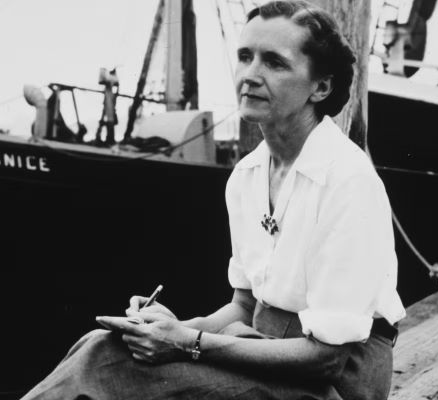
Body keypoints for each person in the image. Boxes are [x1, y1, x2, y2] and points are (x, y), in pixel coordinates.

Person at [22, 1, 406, 399]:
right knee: (103, 346)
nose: (250, 75)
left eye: (274, 62)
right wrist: (166, 330)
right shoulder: (247, 176)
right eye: (245, 56)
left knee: (109, 373)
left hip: (335, 383)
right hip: (264, 346)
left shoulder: (347, 180)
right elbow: (244, 307)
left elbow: (327, 358)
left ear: (320, 87)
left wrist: (186, 341)